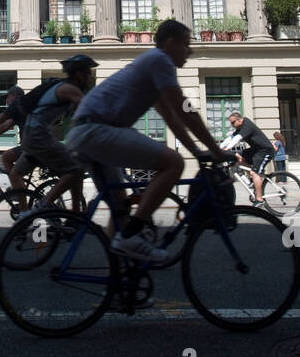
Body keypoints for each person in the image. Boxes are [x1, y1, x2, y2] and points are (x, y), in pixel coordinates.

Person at [65, 20, 233, 263]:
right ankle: (133, 233)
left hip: (87, 133)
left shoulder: (152, 66)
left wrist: (197, 150)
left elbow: (172, 117)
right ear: (171, 43)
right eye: (186, 44)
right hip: (95, 130)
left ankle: (121, 290)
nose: (190, 50)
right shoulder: (160, 60)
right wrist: (216, 150)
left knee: (120, 211)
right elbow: (184, 108)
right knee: (174, 164)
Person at [15, 56, 98, 218]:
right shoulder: (71, 89)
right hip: (38, 136)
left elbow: (76, 117)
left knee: (75, 168)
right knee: (76, 167)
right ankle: (44, 204)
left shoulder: (63, 87)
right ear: (78, 74)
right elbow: (87, 113)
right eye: (88, 73)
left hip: (31, 136)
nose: (90, 76)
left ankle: (74, 215)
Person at [223, 111, 278, 212]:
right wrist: (218, 148)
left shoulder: (247, 125)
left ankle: (260, 199)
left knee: (254, 172)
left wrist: (228, 148)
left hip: (265, 150)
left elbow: (238, 139)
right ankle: (253, 181)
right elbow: (231, 138)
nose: (232, 125)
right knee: (238, 156)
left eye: (233, 123)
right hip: (256, 150)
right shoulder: (239, 127)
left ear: (239, 120)